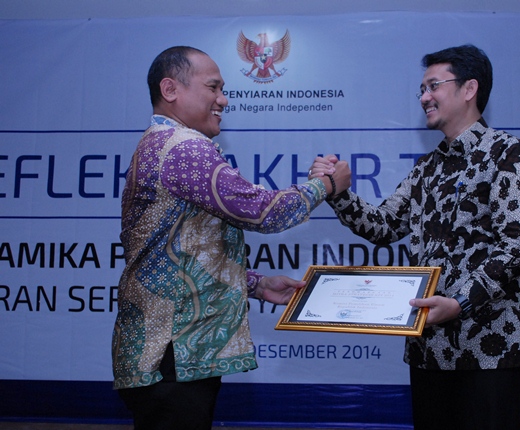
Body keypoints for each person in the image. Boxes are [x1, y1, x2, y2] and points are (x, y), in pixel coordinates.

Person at [112, 45, 350, 430]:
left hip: (168, 349)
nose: (223, 100)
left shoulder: (160, 143)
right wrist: (325, 185)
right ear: (170, 89)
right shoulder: (184, 148)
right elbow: (262, 211)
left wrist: (256, 284)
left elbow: (185, 250)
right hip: (173, 350)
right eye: (213, 87)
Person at [310, 44, 520, 429]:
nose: (423, 97)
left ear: (469, 88)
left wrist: (458, 304)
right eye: (421, 89)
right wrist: (337, 192)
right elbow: (384, 226)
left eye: (433, 86)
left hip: (490, 349)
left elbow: (516, 248)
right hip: (428, 350)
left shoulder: (511, 155)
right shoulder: (428, 168)